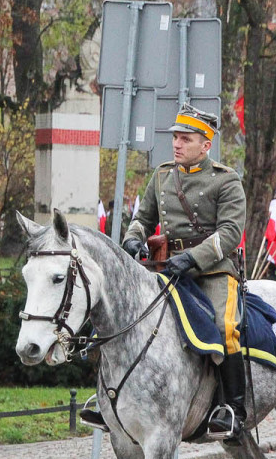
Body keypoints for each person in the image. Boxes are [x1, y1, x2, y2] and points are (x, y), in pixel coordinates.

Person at [85, 103, 249, 439]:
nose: (176, 144)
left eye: (185, 139)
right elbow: (142, 219)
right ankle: (108, 400)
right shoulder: (162, 176)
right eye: (175, 137)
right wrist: (133, 239)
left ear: (205, 144)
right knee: (121, 316)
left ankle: (233, 409)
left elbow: (230, 233)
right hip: (166, 267)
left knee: (224, 327)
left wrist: (193, 258)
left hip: (213, 271)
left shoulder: (226, 180)